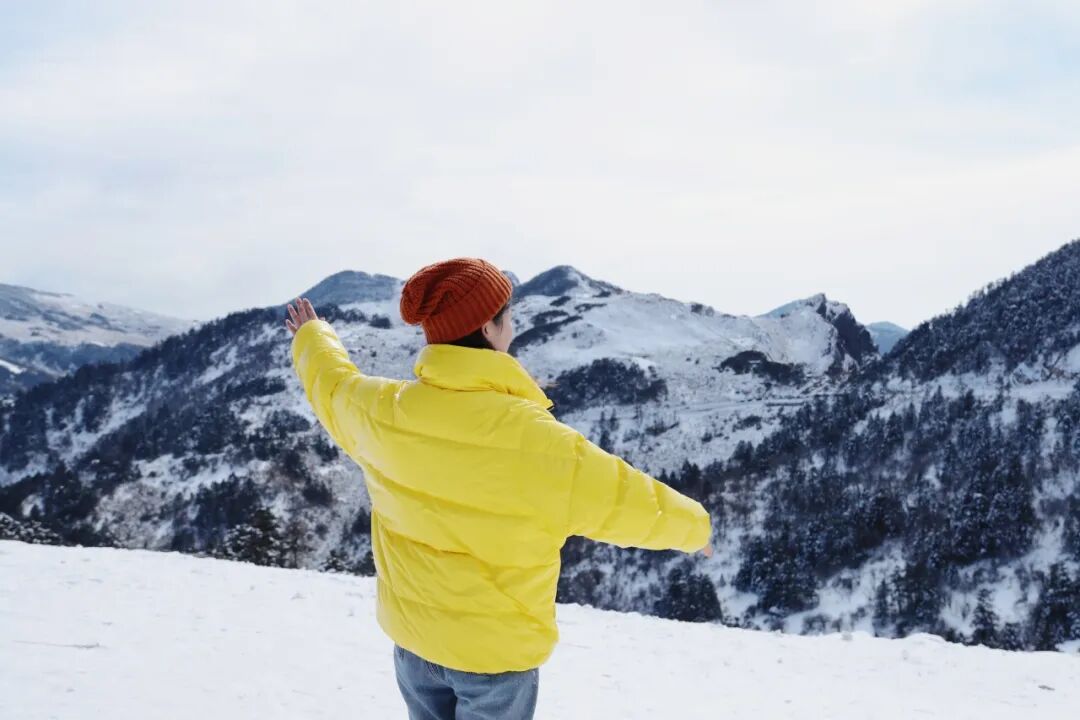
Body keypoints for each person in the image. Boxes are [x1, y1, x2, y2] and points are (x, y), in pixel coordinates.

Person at [285, 257, 713, 720]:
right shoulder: (537, 439)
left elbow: (331, 385)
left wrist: (313, 336)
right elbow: (624, 500)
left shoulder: (383, 411)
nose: (512, 325)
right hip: (494, 658)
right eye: (507, 316)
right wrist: (696, 529)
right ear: (488, 329)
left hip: (414, 641)